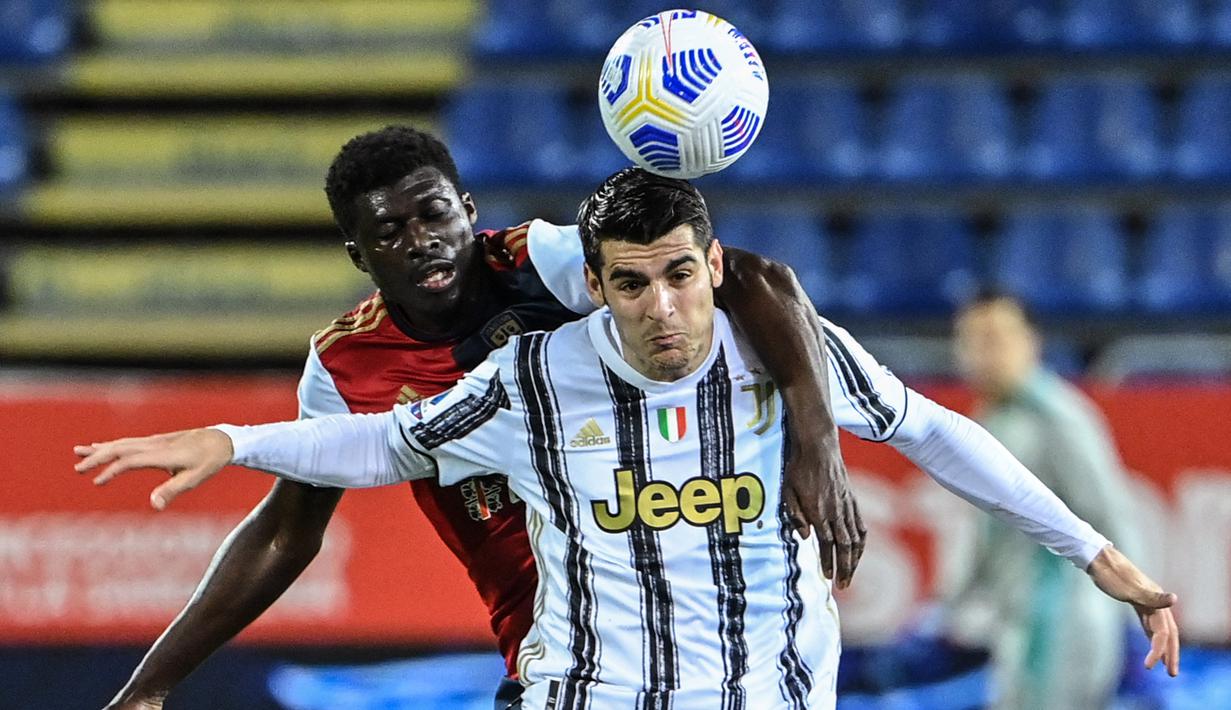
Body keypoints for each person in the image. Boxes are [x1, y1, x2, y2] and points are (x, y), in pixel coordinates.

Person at [78, 168, 1179, 709]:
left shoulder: (769, 341)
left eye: (680, 276)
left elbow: (937, 433)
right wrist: (235, 436)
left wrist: (1093, 550)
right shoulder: (529, 376)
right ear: (594, 292)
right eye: (630, 285)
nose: (659, 306)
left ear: (711, 266)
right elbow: (386, 447)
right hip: (578, 675)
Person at [96, 127, 863, 710]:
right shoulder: (346, 366)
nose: (420, 239)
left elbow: (756, 279)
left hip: (684, 605)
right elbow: (287, 529)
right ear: (359, 256)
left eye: (433, 214)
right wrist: (151, 685)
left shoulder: (542, 262)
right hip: (553, 648)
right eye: (388, 231)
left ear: (467, 211)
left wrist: (817, 439)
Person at [947, 289, 1146, 709]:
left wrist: (1134, 614)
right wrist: (951, 604)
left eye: (998, 338)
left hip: (1060, 622)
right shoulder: (988, 419)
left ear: (1030, 342)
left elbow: (1111, 515)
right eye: (974, 340)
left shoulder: (1059, 416)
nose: (986, 353)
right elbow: (988, 531)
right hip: (1018, 621)